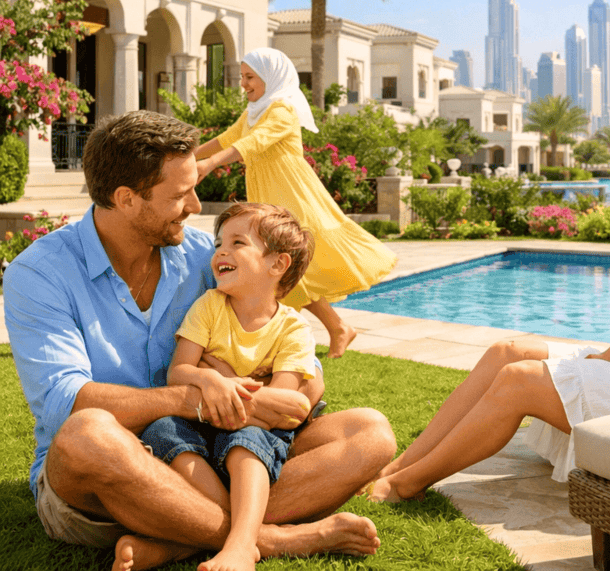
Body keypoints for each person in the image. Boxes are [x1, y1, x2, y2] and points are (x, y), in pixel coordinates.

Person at [4, 111, 395, 570]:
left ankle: (184, 538)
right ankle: (268, 538)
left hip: (217, 453)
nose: (194, 206)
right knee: (87, 434)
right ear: (126, 199)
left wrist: (285, 395)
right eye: (179, 194)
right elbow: (65, 403)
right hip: (115, 472)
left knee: (369, 433)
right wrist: (194, 399)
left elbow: (297, 367)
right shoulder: (41, 273)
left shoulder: (203, 257)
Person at [368, 107, 610, 501]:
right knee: (508, 351)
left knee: (520, 379)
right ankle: (399, 465)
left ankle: (404, 485)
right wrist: (605, 359)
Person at [139, 202, 318, 571]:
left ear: (278, 264)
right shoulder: (210, 306)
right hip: (202, 421)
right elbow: (179, 372)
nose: (221, 251)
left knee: (247, 443)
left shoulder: (293, 328)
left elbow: (286, 407)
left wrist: (223, 377)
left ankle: (218, 544)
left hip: (254, 428)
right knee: (162, 430)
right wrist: (208, 377)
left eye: (238, 243)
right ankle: (244, 535)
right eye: (219, 242)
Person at [193, 48, 397, 358]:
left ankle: (311, 334)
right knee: (281, 268)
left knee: (286, 266)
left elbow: (253, 142)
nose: (243, 84)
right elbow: (227, 138)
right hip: (268, 196)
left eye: (249, 77)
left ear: (270, 76)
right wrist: (188, 155)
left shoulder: (282, 110)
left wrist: (209, 165)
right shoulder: (255, 110)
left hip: (293, 197)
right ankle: (333, 329)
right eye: (242, 77)